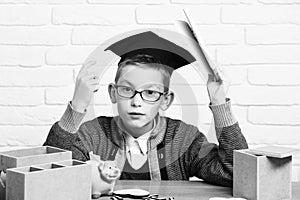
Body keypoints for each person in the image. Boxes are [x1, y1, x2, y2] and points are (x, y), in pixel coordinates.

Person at [44, 31, 248, 186]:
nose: (136, 102)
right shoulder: (92, 134)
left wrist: (220, 103)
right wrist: (78, 105)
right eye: (127, 90)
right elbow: (49, 175)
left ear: (165, 101)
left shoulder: (185, 139)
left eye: (150, 93)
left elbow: (237, 174)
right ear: (113, 93)